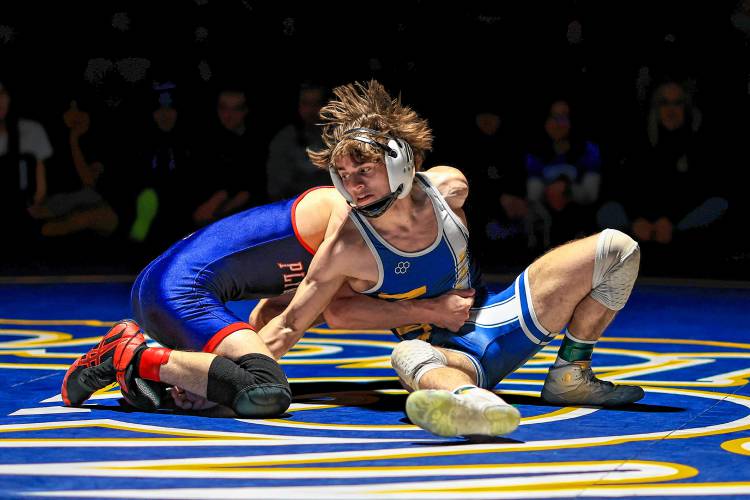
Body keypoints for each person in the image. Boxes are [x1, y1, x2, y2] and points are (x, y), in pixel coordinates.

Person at [254, 80, 644, 438]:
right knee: (406, 352)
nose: (352, 186)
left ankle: (572, 372)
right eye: (343, 174)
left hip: (501, 314)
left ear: (398, 164)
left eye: (365, 172)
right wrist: (224, 378)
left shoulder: (448, 189)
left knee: (618, 248)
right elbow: (290, 326)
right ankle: (474, 402)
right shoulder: (346, 248)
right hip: (443, 353)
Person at [61, 183, 476, 416]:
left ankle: (151, 373)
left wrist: (219, 374)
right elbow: (304, 319)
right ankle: (131, 355)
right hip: (178, 289)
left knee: (235, 386)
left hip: (171, 285)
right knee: (266, 392)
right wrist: (427, 308)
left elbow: (299, 311)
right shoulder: (348, 220)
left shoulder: (368, 237)